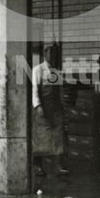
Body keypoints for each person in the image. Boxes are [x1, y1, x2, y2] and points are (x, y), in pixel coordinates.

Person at [31, 42, 66, 179]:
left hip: (55, 109)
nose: (52, 55)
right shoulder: (37, 70)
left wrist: (63, 106)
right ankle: (37, 165)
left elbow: (60, 91)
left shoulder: (57, 71)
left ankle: (58, 166)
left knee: (58, 138)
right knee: (40, 139)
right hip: (43, 109)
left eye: (55, 53)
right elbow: (34, 90)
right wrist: (38, 106)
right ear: (45, 53)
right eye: (50, 52)